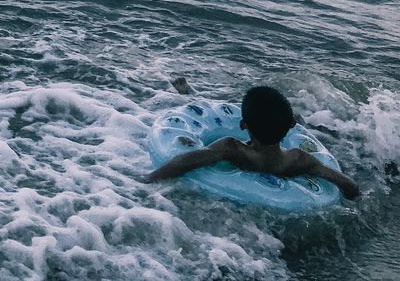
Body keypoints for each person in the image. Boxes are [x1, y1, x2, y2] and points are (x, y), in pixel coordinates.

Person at [145, 85, 360, 199]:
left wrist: (148, 179)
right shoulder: (299, 159)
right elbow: (348, 185)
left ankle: (186, 92)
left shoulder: (232, 148)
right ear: (292, 126)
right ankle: (188, 91)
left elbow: (186, 161)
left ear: (242, 125)